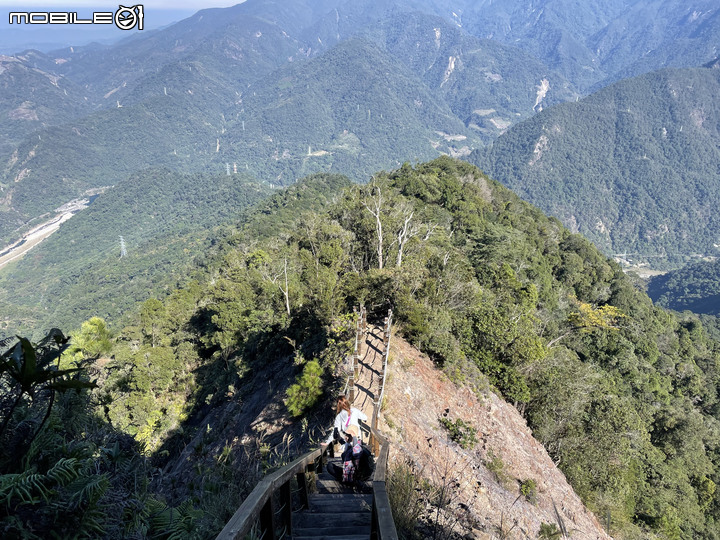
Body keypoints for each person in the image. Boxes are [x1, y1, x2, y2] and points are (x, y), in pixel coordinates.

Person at [322, 396, 368, 483]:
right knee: (357, 456)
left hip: (349, 442)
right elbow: (365, 417)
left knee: (344, 457)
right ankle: (355, 474)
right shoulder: (355, 411)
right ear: (347, 403)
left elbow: (335, 432)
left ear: (338, 406)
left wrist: (327, 442)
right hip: (357, 439)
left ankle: (347, 474)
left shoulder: (339, 417)